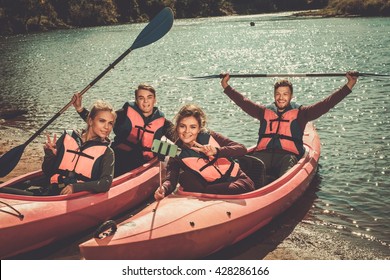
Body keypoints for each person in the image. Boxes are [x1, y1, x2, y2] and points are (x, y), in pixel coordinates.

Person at [220, 71, 358, 180]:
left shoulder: (302, 113)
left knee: (287, 165)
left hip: (287, 157)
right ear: (274, 96)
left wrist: (348, 85)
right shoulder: (263, 112)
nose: (281, 98)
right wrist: (226, 87)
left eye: (285, 94)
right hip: (263, 155)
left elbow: (327, 103)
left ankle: (274, 188)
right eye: (278, 94)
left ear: (291, 96)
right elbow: (242, 101)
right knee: (248, 167)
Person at [154, 104, 255, 201]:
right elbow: (171, 179)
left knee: (209, 190)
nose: (187, 131)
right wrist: (164, 188)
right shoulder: (176, 152)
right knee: (185, 178)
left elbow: (242, 149)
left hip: (238, 181)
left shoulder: (210, 136)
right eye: (182, 126)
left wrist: (216, 151)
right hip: (213, 186)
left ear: (199, 129)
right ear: (177, 127)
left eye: (192, 127)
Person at [73, 84, 174, 177]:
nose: (145, 101)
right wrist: (80, 109)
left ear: (155, 100)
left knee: (170, 150)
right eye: (141, 98)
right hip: (119, 158)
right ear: (136, 100)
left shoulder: (162, 121)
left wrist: (168, 151)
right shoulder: (124, 114)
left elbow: (181, 137)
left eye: (149, 97)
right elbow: (98, 122)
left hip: (143, 162)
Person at [42, 100, 116, 195]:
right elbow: (47, 171)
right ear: (90, 121)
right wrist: (49, 155)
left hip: (78, 196)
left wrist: (75, 187)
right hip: (53, 189)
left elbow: (105, 184)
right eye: (102, 121)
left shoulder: (107, 152)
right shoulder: (67, 137)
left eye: (110, 123)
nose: (107, 127)